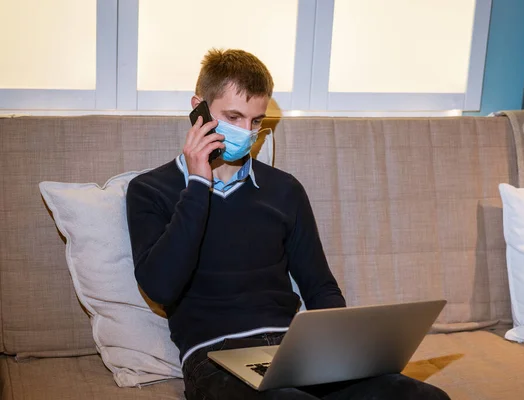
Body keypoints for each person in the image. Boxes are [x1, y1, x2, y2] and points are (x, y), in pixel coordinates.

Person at [126, 48, 450, 400]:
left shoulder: (284, 189)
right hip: (214, 360)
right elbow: (160, 287)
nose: (246, 131)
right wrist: (198, 185)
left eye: (255, 121)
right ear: (198, 109)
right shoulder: (149, 191)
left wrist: (342, 352)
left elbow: (319, 287)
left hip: (293, 351)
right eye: (233, 117)